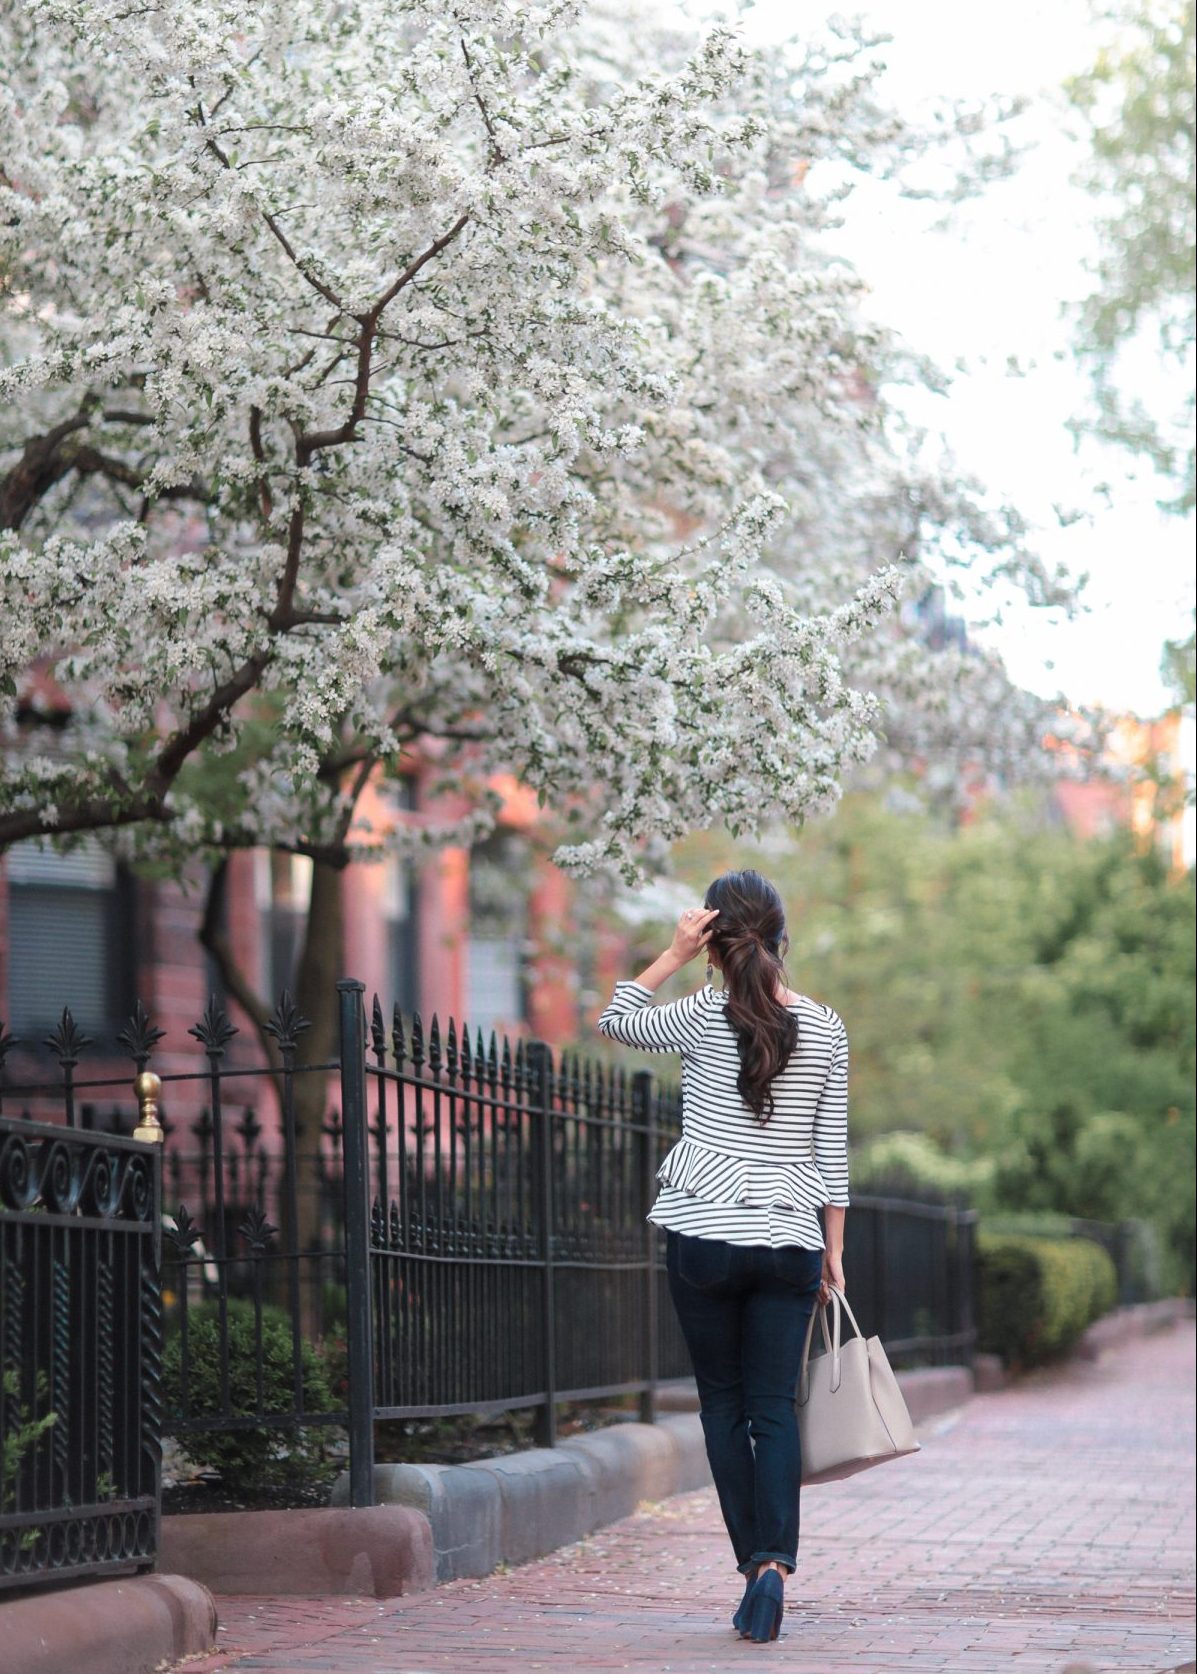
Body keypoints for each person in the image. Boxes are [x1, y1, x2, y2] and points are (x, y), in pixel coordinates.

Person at [595, 868, 849, 1645]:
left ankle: (751, 1569)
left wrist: (669, 954)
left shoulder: (702, 1014)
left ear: (712, 940)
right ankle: (774, 1568)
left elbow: (615, 1020)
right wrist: (833, 1252)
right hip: (788, 1242)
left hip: (702, 1234)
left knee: (721, 1406)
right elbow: (831, 1155)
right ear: (781, 939)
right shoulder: (827, 1027)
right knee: (774, 1409)